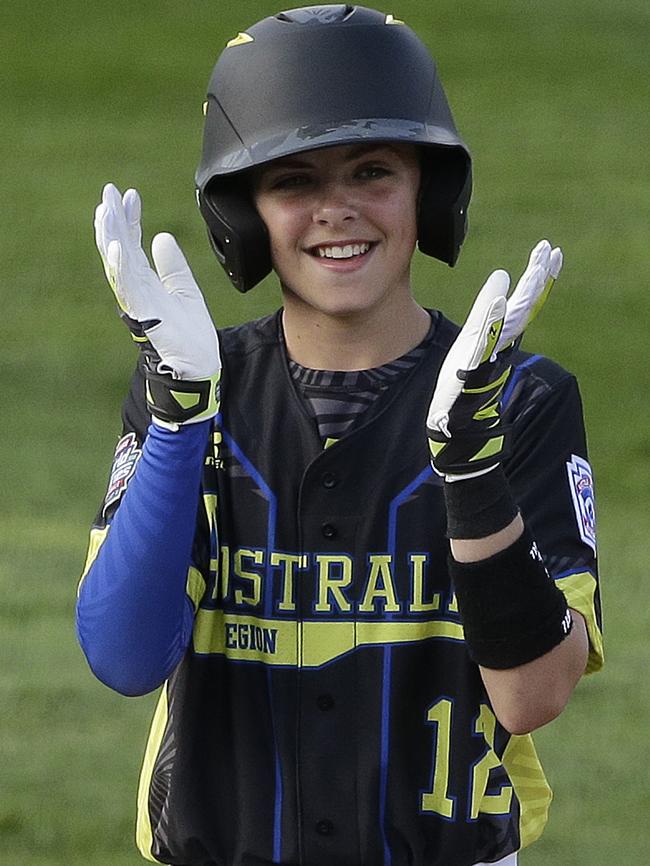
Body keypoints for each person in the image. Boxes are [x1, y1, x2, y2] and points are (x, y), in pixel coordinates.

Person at [76, 6, 603, 866]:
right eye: (293, 182)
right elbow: (125, 655)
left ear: (427, 192)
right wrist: (178, 420)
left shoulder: (520, 399)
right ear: (245, 214)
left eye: (371, 171)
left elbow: (533, 696)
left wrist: (472, 472)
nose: (337, 210)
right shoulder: (192, 390)